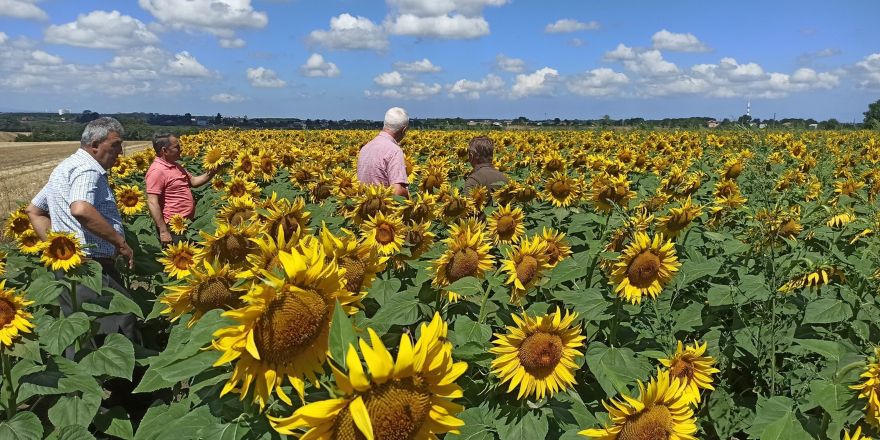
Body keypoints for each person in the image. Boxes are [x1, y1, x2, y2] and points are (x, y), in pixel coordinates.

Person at [25, 117, 136, 338]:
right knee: (119, 323)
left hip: (68, 266)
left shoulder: (64, 167)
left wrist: (59, 250)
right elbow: (81, 209)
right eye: (115, 145)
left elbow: (34, 211)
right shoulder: (88, 169)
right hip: (91, 266)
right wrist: (120, 242)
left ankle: (86, 372)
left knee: (80, 333)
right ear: (95, 145)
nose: (120, 152)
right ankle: (120, 374)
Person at [145, 133, 218, 246]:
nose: (180, 149)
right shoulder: (157, 171)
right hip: (173, 228)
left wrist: (213, 172)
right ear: (165, 150)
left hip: (186, 223)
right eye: (176, 147)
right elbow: (152, 202)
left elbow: (193, 182)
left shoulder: (175, 166)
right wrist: (163, 231)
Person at [356, 107, 410, 197]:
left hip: (363, 207)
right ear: (404, 130)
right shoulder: (394, 151)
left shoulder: (365, 148)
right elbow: (397, 192)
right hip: (383, 208)